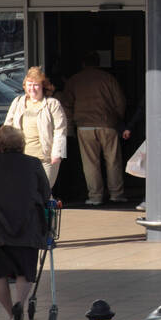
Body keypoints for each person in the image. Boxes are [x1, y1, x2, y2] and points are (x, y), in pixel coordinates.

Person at [0, 125, 51, 320]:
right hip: (28, 226)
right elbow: (46, 194)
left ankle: (11, 315)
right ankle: (20, 302)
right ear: (21, 144)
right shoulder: (33, 164)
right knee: (25, 272)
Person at [60, 51, 128, 206]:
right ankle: (116, 194)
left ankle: (95, 196)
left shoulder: (74, 80)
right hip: (108, 124)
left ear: (83, 64)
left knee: (90, 163)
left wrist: (71, 123)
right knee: (113, 161)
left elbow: (66, 104)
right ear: (98, 63)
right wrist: (117, 118)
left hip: (84, 126)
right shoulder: (108, 78)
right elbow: (120, 101)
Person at [3, 66, 68, 187]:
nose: (32, 88)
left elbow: (61, 130)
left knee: (43, 192)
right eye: (29, 84)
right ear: (25, 85)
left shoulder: (52, 104)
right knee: (24, 192)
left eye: (36, 84)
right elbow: (7, 128)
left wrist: (58, 153)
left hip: (45, 159)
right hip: (21, 158)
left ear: (43, 85)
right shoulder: (17, 102)